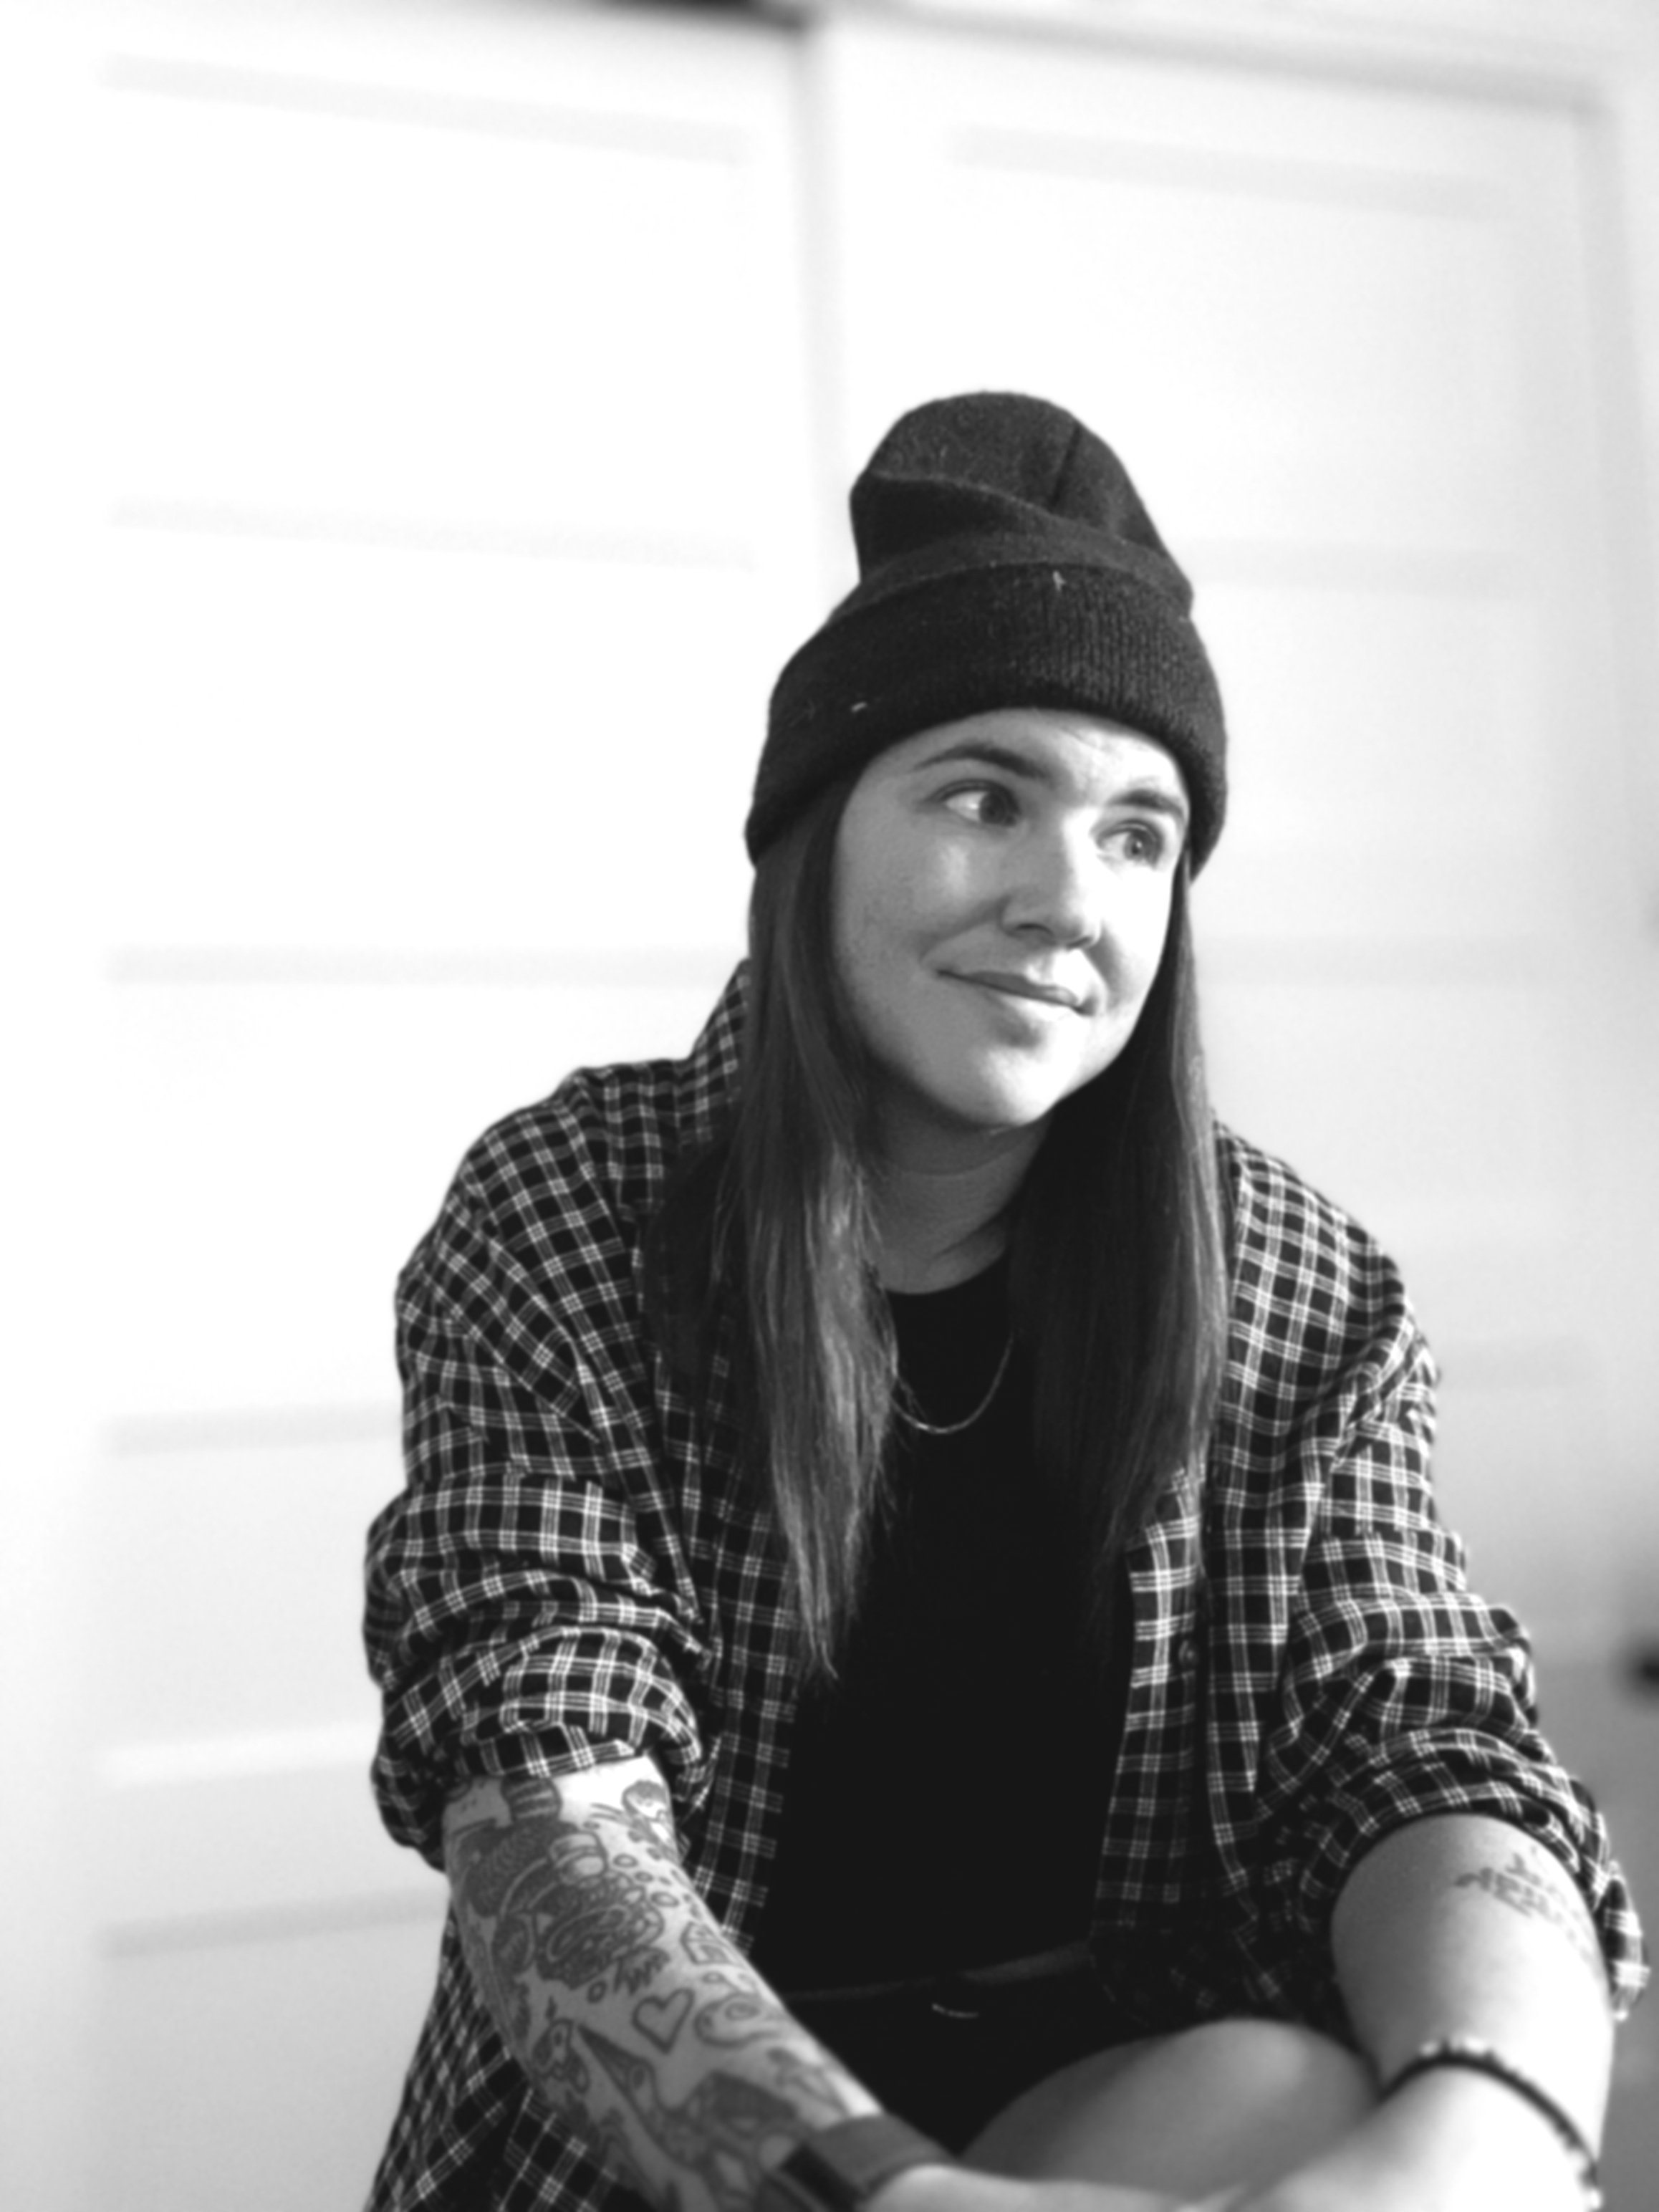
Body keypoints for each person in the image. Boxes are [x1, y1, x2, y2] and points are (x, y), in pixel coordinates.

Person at [363, 392, 1646, 2212]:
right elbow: (546, 1795)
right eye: (986, 798)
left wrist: (1492, 2133)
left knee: (1289, 2090)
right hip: (674, 2157)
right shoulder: (576, 1210)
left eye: (1140, 835)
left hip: (1117, 2105)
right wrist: (889, 2193)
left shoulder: (1299, 1286)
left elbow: (1416, 1737)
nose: (1068, 899)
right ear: (817, 838)